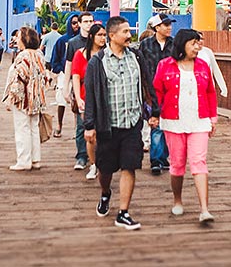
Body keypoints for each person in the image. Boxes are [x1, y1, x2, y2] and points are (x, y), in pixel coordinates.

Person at [84, 16, 158, 230]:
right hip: (109, 125)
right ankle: (105, 193)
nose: (129, 35)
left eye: (129, 31)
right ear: (112, 35)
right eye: (125, 32)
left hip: (132, 122)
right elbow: (91, 95)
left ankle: (123, 212)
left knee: (130, 166)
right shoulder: (98, 62)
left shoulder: (135, 56)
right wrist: (90, 125)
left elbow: (147, 82)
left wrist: (154, 111)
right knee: (106, 169)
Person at [153, 29, 219, 223]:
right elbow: (157, 91)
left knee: (199, 162)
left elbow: (210, 92)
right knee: (177, 164)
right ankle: (177, 200)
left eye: (198, 43)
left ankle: (204, 209)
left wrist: (213, 118)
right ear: (182, 44)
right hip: (173, 121)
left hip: (199, 120)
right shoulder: (165, 65)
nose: (197, 47)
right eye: (193, 43)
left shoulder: (203, 66)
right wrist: (154, 114)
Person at [4, 26, 50, 170]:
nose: (16, 40)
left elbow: (19, 77)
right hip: (37, 97)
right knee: (33, 128)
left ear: (25, 39)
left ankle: (24, 160)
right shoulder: (39, 55)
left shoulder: (23, 56)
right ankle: (35, 159)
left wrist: (11, 98)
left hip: (24, 98)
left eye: (18, 37)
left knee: (22, 128)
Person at [139, 14, 177, 175]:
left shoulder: (175, 44)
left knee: (168, 124)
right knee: (155, 123)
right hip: (151, 89)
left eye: (169, 24)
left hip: (171, 89)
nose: (169, 27)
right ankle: (156, 160)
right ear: (156, 28)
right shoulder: (145, 45)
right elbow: (140, 67)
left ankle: (162, 157)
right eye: (165, 24)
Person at [56, 14, 94, 170]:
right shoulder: (73, 43)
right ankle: (81, 156)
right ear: (79, 24)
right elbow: (68, 65)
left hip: (95, 86)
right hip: (80, 85)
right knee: (80, 123)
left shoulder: (98, 40)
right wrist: (66, 87)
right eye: (85, 22)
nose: (88, 24)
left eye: (91, 21)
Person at [72, 23, 108, 179]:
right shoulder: (81, 54)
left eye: (104, 35)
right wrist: (78, 98)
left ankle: (103, 164)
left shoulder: (108, 54)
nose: (103, 38)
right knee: (89, 134)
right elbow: (76, 76)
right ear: (92, 36)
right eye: (100, 35)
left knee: (104, 135)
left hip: (106, 99)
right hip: (86, 98)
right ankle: (92, 164)